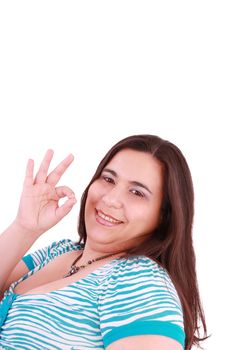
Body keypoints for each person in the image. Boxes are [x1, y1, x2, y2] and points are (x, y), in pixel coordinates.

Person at [0, 134, 207, 350]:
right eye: (109, 179)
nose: (110, 199)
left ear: (164, 215)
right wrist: (24, 227)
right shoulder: (59, 251)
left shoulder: (138, 279)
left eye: (137, 192)